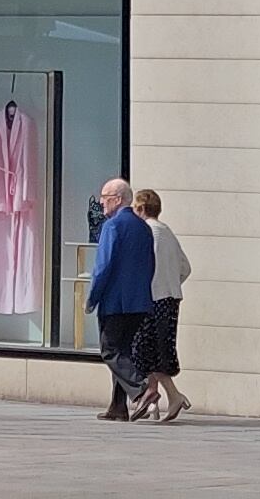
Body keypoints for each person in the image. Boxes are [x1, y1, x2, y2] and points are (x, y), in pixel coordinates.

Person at [87, 176, 156, 418]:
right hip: (139, 302)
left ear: (117, 200)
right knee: (123, 351)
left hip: (116, 302)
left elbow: (103, 266)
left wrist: (93, 297)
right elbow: (151, 265)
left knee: (110, 350)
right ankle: (118, 406)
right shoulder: (144, 227)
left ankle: (141, 388)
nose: (102, 203)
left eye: (105, 199)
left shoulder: (113, 226)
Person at [135, 185, 191, 421]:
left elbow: (144, 267)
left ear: (140, 208)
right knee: (157, 350)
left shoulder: (147, 232)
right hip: (170, 297)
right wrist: (171, 282)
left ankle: (168, 395)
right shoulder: (166, 231)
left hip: (152, 298)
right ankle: (153, 400)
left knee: (145, 350)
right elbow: (185, 268)